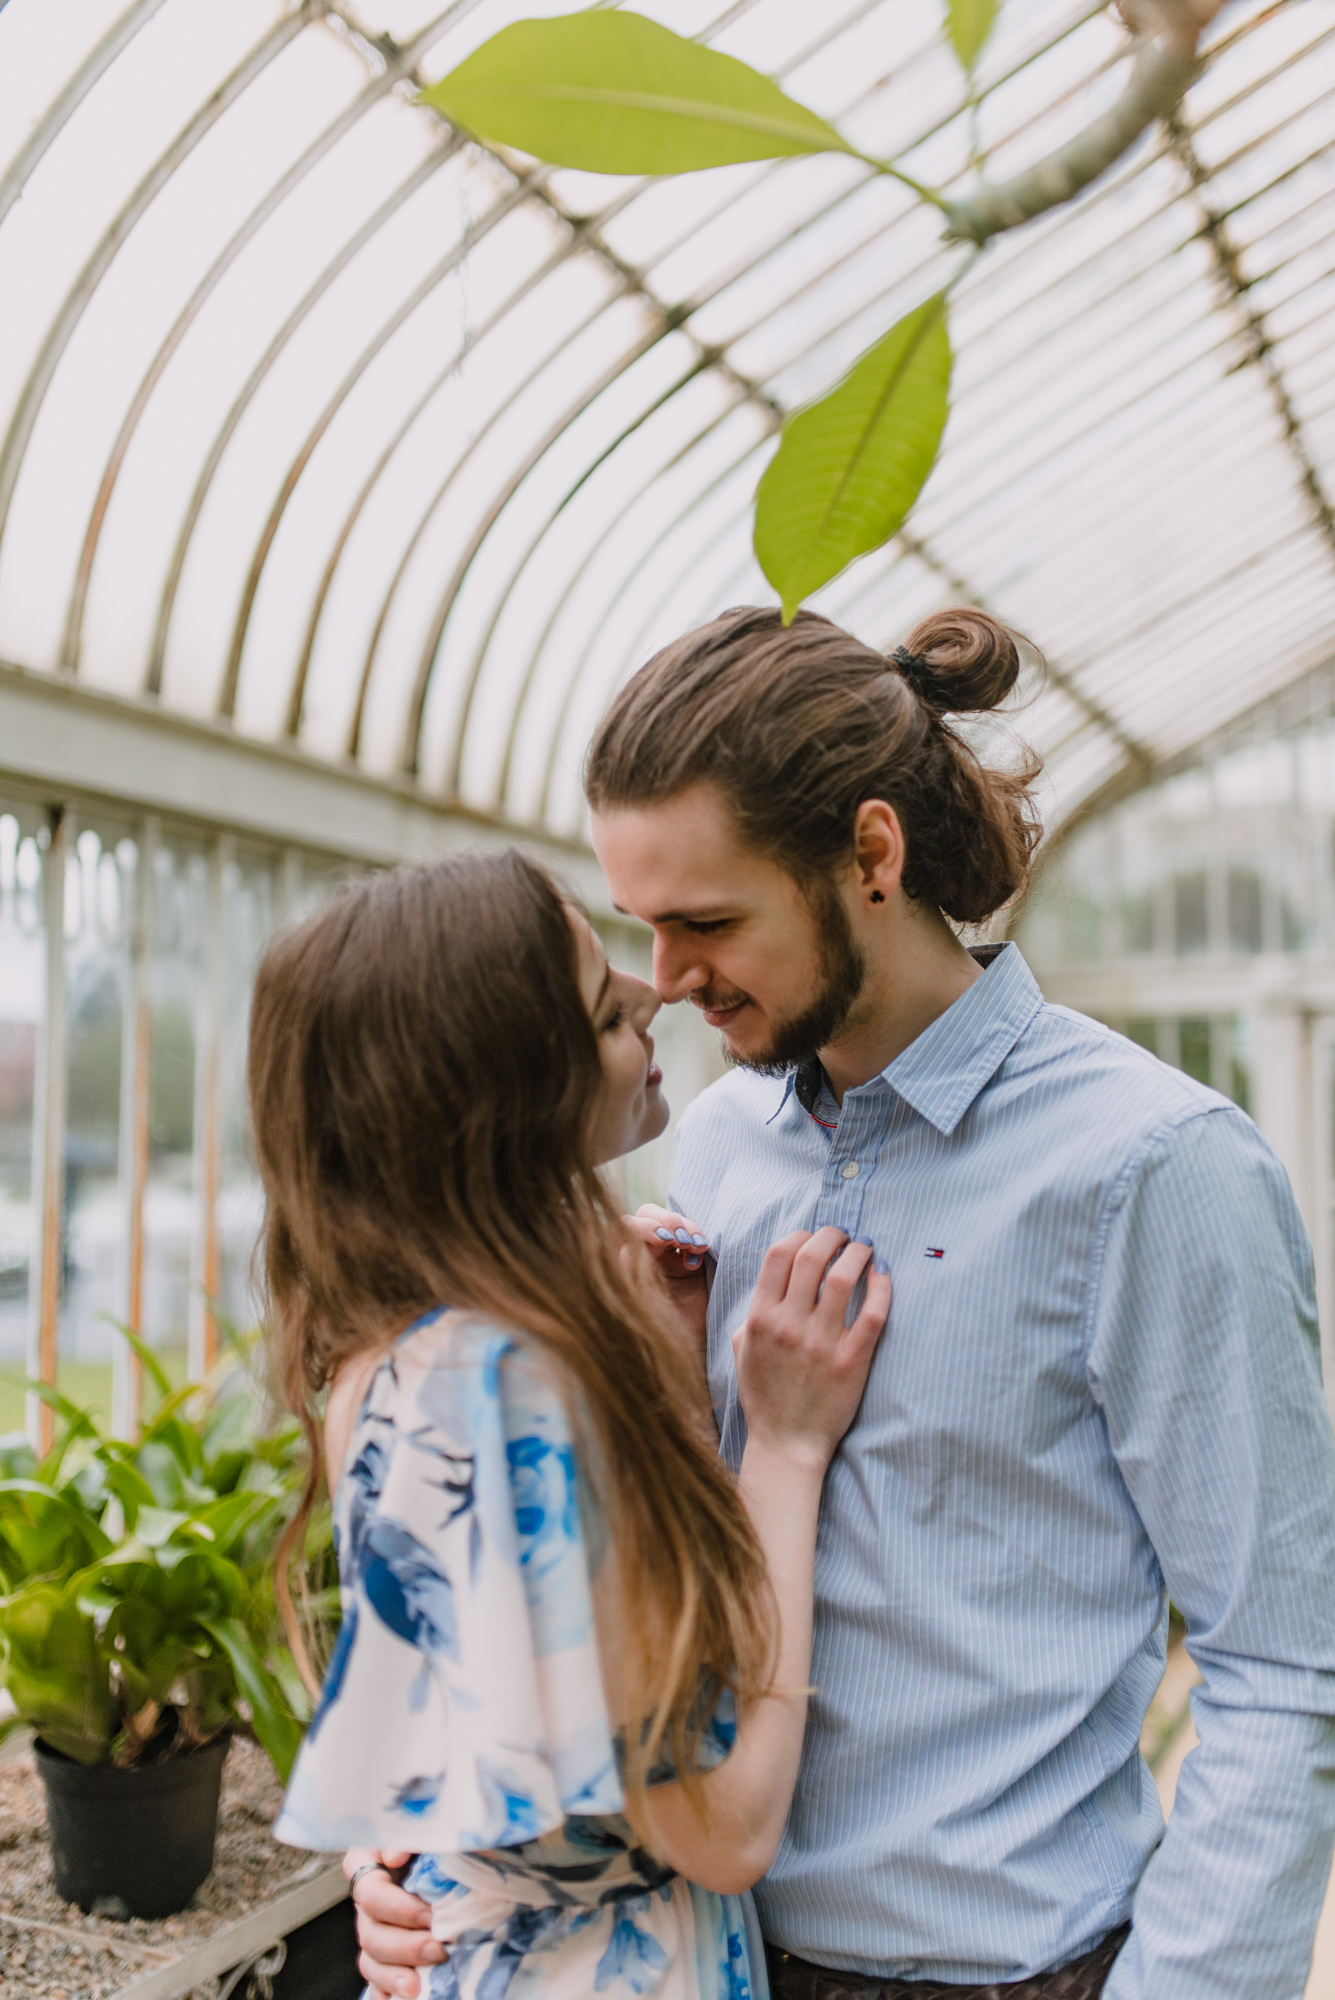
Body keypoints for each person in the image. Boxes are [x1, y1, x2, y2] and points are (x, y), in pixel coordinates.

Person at [356, 606, 1335, 2000]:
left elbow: (1277, 1662)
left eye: (706, 922)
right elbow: (623, 1595)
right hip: (702, 1955)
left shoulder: (1151, 1168)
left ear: (869, 857)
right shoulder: (714, 1149)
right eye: (641, 927)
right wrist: (419, 1851)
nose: (669, 981)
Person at [251, 849, 891, 2000]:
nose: (654, 994)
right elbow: (726, 1825)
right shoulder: (504, 1391)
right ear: (505, 1095)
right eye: (606, 1006)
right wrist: (788, 1450)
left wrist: (668, 1379)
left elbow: (518, 1699)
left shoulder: (391, 1357)